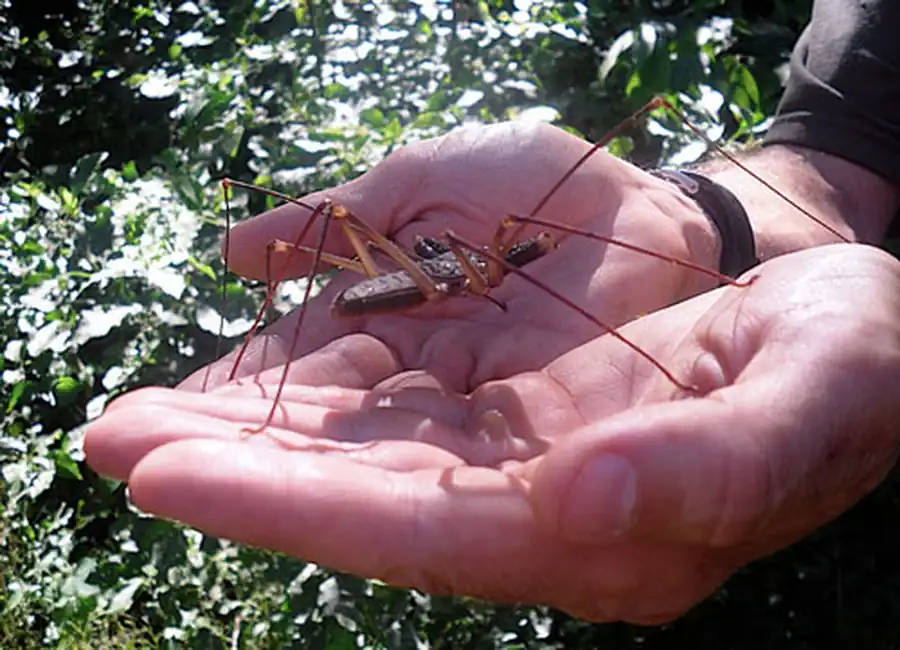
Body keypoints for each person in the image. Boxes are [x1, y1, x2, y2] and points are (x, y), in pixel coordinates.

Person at [85, 0, 900, 624]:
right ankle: (256, 399)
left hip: (441, 277)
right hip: (407, 281)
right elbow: (850, 116)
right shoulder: (484, 263)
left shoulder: (512, 256)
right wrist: (726, 207)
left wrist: (688, 224)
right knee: (322, 227)